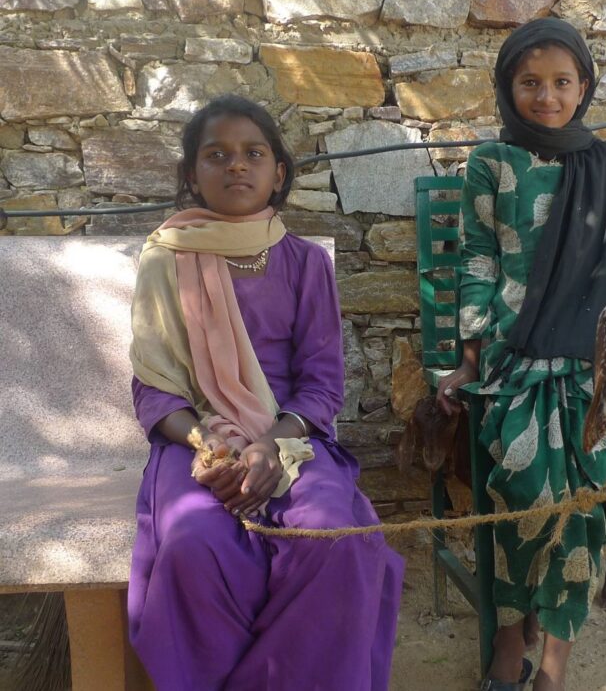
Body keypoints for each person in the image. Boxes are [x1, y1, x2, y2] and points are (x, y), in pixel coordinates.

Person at [127, 94, 403, 691]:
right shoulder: (164, 261)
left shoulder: (304, 263)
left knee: (333, 536)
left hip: (292, 437)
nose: (236, 166)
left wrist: (273, 445)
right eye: (216, 155)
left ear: (279, 173)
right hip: (198, 444)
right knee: (192, 545)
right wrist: (210, 442)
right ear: (190, 175)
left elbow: (323, 382)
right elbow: (152, 388)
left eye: (254, 153)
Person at [437, 18, 606, 691]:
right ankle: (509, 636)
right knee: (520, 488)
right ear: (508, 88)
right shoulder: (490, 164)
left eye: (562, 82)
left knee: (589, 494)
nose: (547, 96)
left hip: (595, 361)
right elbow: (477, 260)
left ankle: (554, 660)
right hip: (514, 358)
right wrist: (470, 357)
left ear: (584, 87)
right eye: (529, 83)